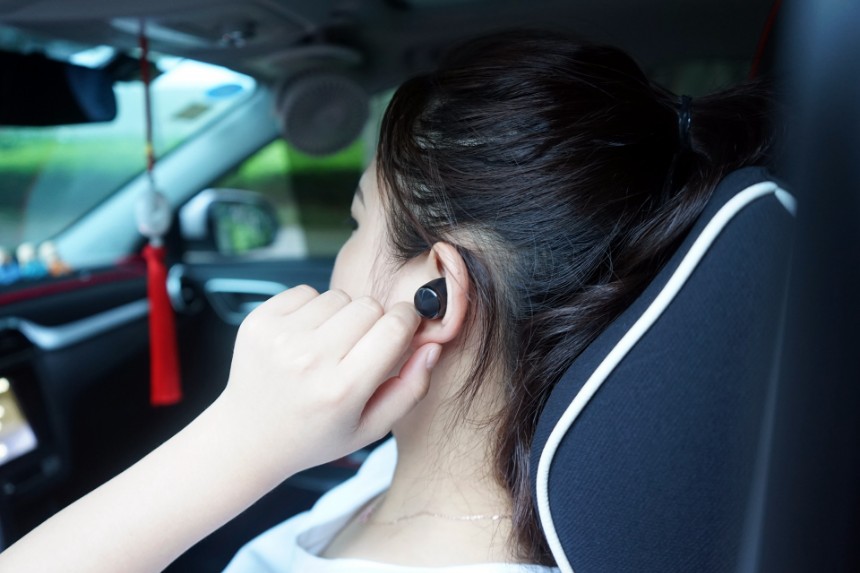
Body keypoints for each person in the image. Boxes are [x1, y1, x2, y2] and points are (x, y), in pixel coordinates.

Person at [0, 30, 773, 572]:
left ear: (431, 293)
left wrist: (237, 438)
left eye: (357, 221)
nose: (340, 256)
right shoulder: (418, 474)